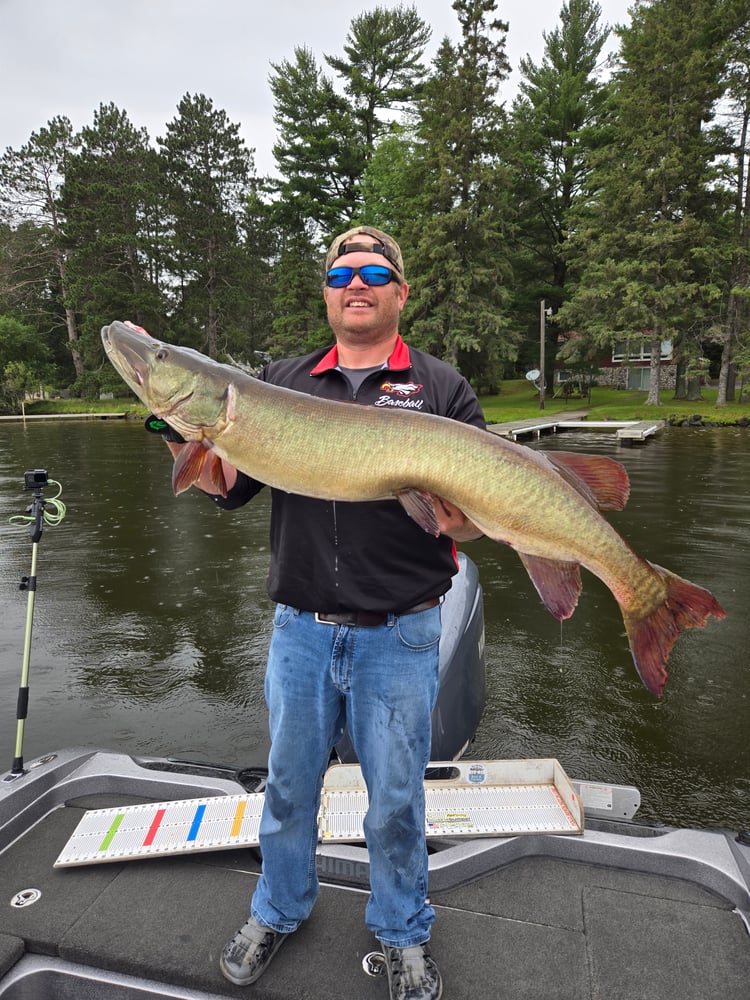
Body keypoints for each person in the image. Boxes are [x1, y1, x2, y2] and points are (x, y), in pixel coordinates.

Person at [172, 225, 485, 1000]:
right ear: (326, 291)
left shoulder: (442, 389)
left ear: (399, 293)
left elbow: (476, 518)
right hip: (301, 631)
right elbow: (230, 488)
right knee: (286, 789)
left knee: (399, 800)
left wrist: (461, 519)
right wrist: (178, 425)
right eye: (342, 271)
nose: (358, 282)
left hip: (402, 632)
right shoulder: (277, 383)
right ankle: (278, 908)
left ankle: (404, 931)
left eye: (376, 271)